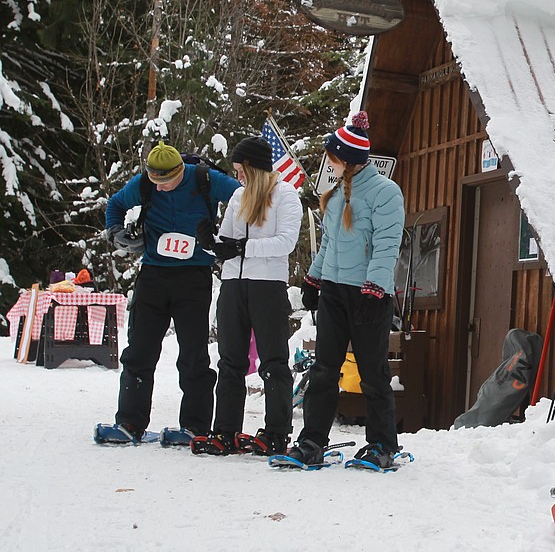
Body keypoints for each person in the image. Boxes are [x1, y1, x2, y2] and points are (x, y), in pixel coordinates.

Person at [284, 111, 405, 469]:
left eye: (333, 157)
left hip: (368, 295)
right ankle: (311, 442)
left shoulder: (385, 193)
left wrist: (375, 288)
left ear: (348, 159)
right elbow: (329, 246)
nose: (329, 163)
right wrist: (313, 279)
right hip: (335, 292)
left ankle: (382, 443)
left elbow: (387, 245)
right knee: (323, 370)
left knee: (372, 372)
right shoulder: (335, 196)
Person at [101, 141, 241, 444]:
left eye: (167, 182)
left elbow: (245, 199)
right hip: (153, 275)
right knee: (139, 351)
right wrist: (116, 233)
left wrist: (231, 238)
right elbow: (115, 204)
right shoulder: (143, 184)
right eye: (155, 182)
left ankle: (195, 426)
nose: (161, 188)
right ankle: (129, 423)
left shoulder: (206, 179)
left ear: (181, 171)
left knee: (193, 355)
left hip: (194, 277)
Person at [192, 136, 301, 456]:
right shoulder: (239, 197)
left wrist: (242, 249)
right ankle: (225, 429)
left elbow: (285, 243)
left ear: (255, 168)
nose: (237, 176)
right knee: (230, 360)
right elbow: (226, 241)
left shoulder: (285, 195)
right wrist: (209, 240)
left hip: (267, 284)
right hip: (233, 285)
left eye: (241, 169)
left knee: (273, 361)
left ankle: (277, 431)